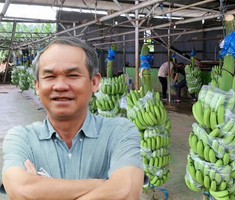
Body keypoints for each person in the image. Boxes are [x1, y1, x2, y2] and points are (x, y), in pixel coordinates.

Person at [1, 37, 144, 199]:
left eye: (73, 75)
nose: (60, 86)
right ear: (37, 86)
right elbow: (20, 188)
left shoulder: (120, 131)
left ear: (95, 82)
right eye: (50, 76)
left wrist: (42, 188)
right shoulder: (21, 138)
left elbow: (127, 191)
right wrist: (104, 184)